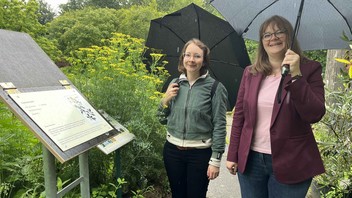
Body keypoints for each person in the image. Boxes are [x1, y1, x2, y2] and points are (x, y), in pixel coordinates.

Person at [226, 15, 326, 198]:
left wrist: (296, 75)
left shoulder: (310, 69)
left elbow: (314, 113)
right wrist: (232, 154)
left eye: (280, 32)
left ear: (289, 36)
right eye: (267, 34)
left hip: (292, 162)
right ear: (261, 41)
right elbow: (240, 115)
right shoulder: (251, 72)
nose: (273, 37)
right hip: (251, 161)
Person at [157, 38, 228, 198]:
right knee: (177, 194)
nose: (191, 59)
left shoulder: (215, 88)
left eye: (197, 56)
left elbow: (219, 125)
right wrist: (165, 100)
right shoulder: (174, 84)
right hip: (172, 151)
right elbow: (161, 119)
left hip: (200, 155)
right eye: (187, 55)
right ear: (182, 58)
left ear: (204, 61)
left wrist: (216, 160)